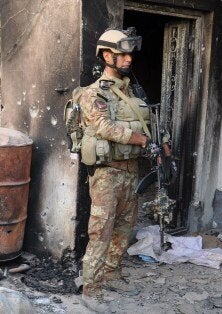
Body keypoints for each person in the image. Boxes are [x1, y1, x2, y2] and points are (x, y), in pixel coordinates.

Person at [76, 28, 150, 312]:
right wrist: (139, 139)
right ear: (107, 56)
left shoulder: (132, 91)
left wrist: (161, 142)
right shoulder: (95, 93)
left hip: (131, 171)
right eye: (122, 54)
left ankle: (112, 274)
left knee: (123, 228)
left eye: (130, 54)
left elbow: (148, 120)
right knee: (100, 232)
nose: (129, 59)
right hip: (107, 174)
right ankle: (91, 290)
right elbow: (102, 127)